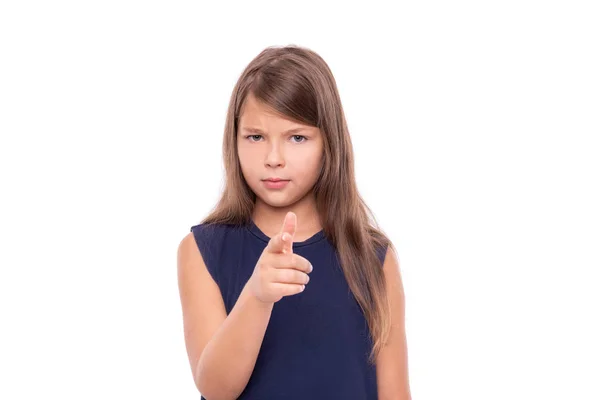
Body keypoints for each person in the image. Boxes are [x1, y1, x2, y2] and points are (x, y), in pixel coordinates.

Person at [177, 44, 411, 400]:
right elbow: (215, 388)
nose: (273, 158)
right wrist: (257, 296)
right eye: (255, 137)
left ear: (328, 144)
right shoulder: (201, 251)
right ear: (234, 140)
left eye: (297, 138)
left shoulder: (373, 257)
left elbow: (395, 393)